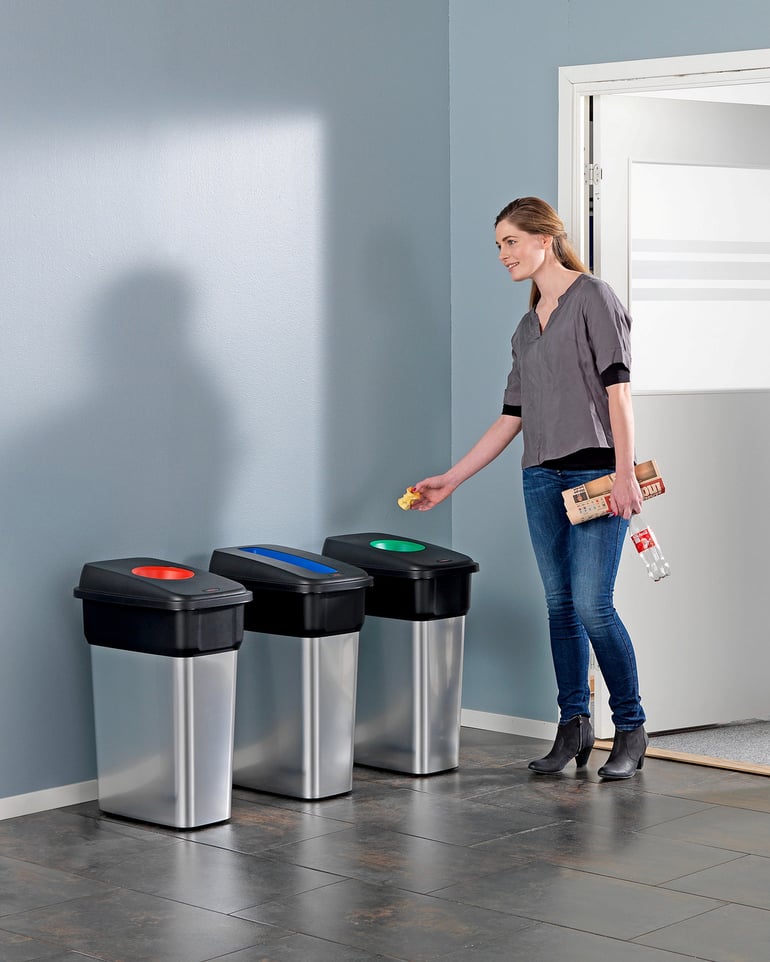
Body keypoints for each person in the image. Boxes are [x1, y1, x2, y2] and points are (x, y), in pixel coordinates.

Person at [409, 196, 648, 780]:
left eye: (510, 242)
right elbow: (510, 418)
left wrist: (623, 473)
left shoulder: (593, 297)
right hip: (539, 477)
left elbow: (619, 393)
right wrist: (452, 478)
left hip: (595, 475)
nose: (503, 255)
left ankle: (631, 726)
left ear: (545, 238)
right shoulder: (525, 326)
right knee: (560, 607)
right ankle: (573, 726)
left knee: (593, 605)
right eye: (498, 246)